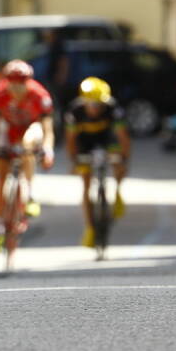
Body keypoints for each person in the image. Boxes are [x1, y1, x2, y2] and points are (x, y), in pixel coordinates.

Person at [0, 60, 55, 251]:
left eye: (21, 82)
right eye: (12, 82)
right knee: (1, 177)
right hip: (6, 129)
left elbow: (47, 127)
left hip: (28, 129)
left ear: (28, 81)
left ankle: (29, 192)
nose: (17, 86)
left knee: (29, 142)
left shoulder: (40, 95)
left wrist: (47, 148)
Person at [64, 76, 130, 248]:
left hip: (107, 140)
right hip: (85, 144)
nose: (96, 109)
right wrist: (74, 161)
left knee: (119, 165)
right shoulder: (75, 111)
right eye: (92, 105)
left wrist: (123, 159)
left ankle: (117, 193)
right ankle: (90, 228)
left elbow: (123, 137)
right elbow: (71, 140)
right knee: (85, 183)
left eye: (99, 105)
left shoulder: (113, 108)